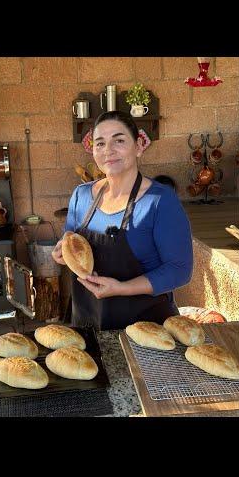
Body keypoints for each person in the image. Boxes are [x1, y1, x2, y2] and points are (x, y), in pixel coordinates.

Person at [52, 111, 193, 330]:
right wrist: (61, 253)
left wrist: (121, 288)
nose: (108, 150)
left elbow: (179, 270)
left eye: (118, 140)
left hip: (148, 331)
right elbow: (70, 242)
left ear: (138, 147)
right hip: (89, 325)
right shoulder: (81, 196)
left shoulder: (160, 201)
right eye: (100, 143)